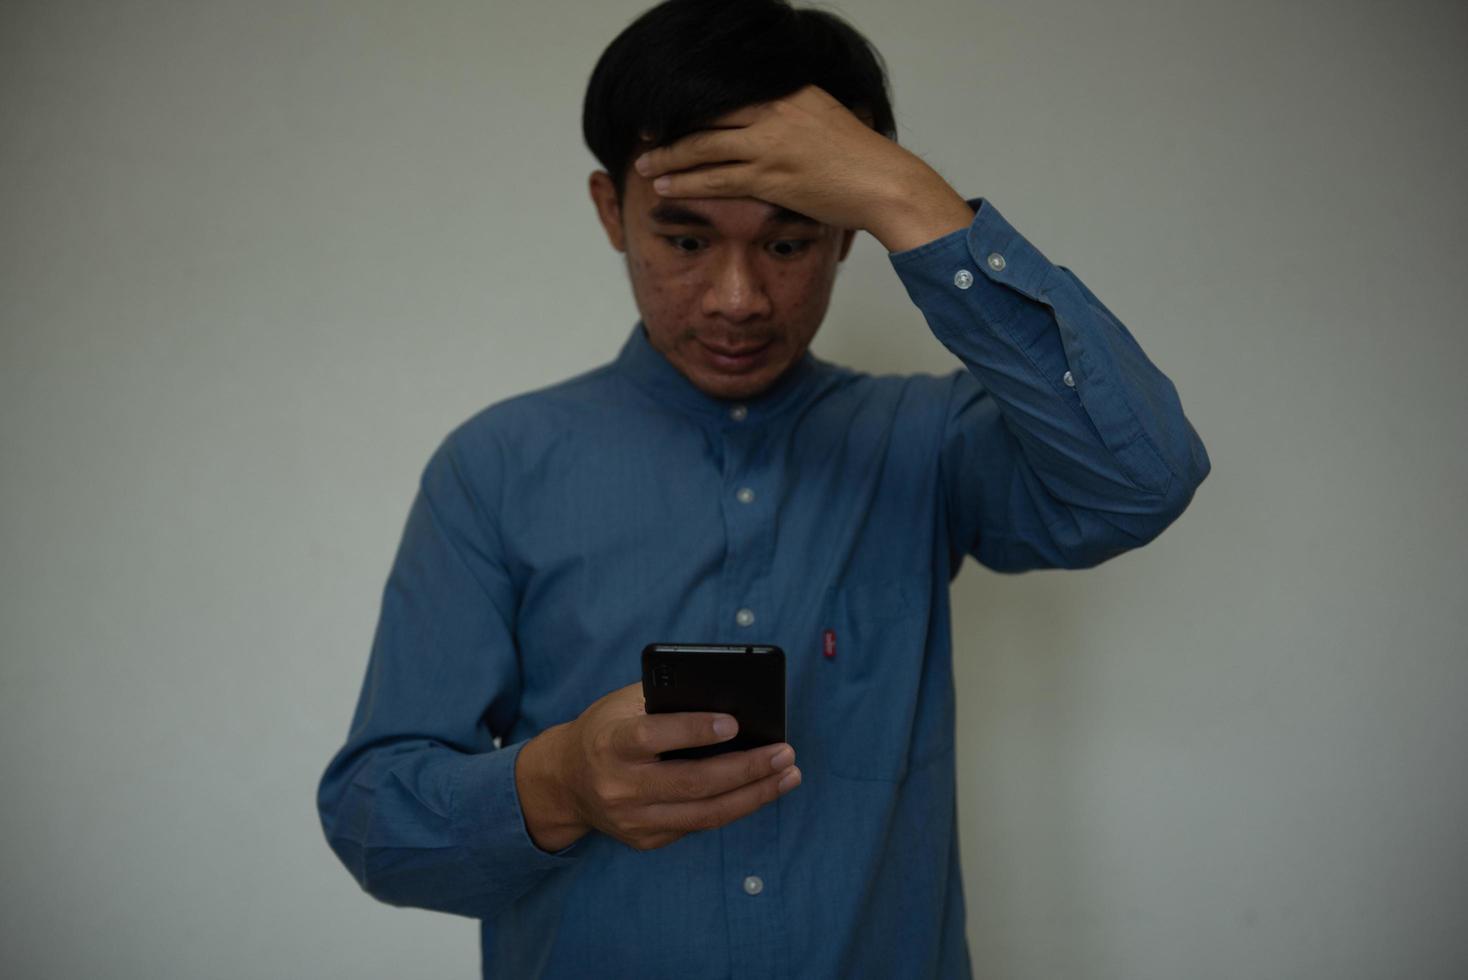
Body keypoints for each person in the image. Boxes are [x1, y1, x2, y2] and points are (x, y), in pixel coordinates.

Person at [316, 1, 1211, 976]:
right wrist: (561, 781)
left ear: (847, 234)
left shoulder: (929, 443)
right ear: (610, 210)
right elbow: (375, 817)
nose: (737, 298)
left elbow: (1141, 477)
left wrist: (907, 194)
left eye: (788, 243)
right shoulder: (492, 467)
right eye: (685, 239)